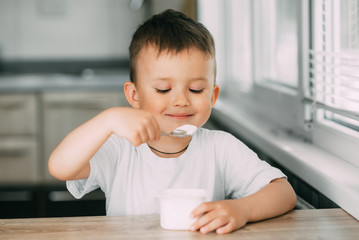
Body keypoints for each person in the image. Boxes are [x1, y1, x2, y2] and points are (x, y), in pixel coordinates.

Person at [48, 9, 296, 235]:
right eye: (164, 89)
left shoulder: (221, 148)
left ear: (213, 96)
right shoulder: (119, 148)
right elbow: (60, 167)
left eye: (196, 90)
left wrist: (242, 210)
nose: (180, 101)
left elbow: (284, 193)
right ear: (134, 95)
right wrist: (107, 120)